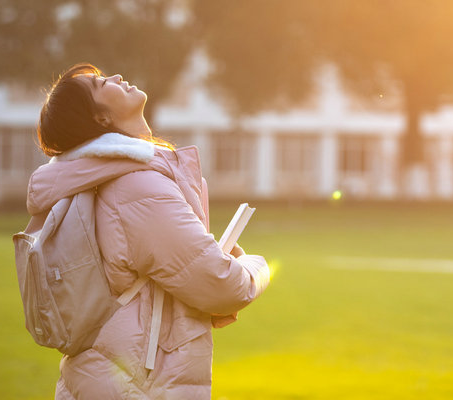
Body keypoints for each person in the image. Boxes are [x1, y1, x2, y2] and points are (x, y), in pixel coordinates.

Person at [27, 63, 270, 399]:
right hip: (137, 387)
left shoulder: (107, 179)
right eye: (100, 84)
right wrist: (256, 267)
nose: (114, 76)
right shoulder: (137, 186)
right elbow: (221, 285)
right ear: (100, 119)